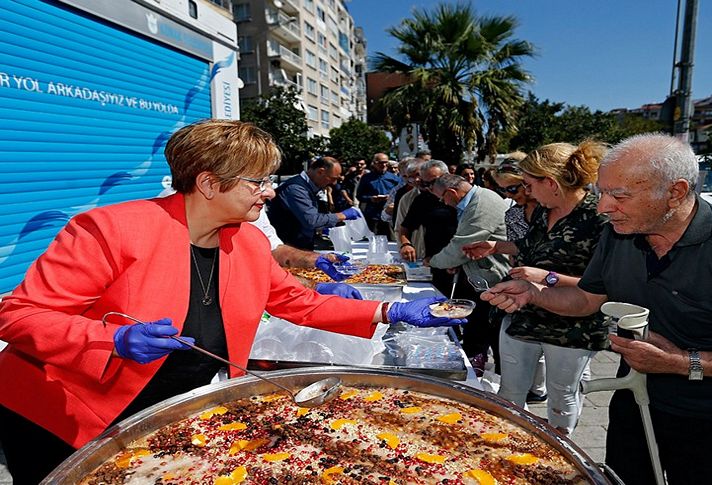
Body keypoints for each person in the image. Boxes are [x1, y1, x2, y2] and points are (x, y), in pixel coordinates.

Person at [0, 120, 465, 485]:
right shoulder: (109, 229)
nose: (270, 190)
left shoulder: (247, 243)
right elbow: (18, 314)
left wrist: (389, 311)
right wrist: (112, 338)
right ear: (208, 183)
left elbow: (300, 303)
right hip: (62, 417)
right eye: (258, 180)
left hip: (157, 413)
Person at [481, 133, 712, 485]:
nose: (602, 208)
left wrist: (683, 362)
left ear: (674, 192)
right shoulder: (619, 233)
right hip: (638, 401)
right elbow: (585, 300)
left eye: (619, 196)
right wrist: (532, 293)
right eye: (601, 193)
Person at [465, 141, 608, 435]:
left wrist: (547, 277)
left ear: (551, 183)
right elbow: (530, 246)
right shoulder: (545, 211)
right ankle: (508, 445)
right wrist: (495, 246)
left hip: (571, 326)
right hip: (524, 313)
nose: (526, 192)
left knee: (562, 396)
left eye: (529, 184)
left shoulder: (599, 218)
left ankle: (560, 457)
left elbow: (605, 284)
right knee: (510, 391)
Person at [425, 173, 510, 376]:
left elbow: (463, 244)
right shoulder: (474, 201)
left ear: (452, 192)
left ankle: (502, 382)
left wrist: (434, 262)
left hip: (495, 279)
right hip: (483, 275)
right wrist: (459, 263)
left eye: (442, 198)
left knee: (493, 334)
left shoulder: (482, 203)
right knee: (480, 329)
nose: (443, 203)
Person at [491, 154, 546, 399]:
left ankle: (539, 388)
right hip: (522, 285)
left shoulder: (552, 209)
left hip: (555, 284)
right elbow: (516, 248)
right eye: (504, 190)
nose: (509, 196)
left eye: (512, 188)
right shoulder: (513, 214)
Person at [267, 156, 360, 250]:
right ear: (320, 172)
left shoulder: (310, 188)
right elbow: (312, 220)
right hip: (288, 247)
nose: (334, 183)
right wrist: (341, 215)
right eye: (332, 178)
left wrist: (323, 227)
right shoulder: (296, 189)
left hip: (299, 245)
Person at [357, 152, 400, 236]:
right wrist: (371, 198)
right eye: (381, 162)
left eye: (385, 162)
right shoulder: (366, 178)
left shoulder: (394, 178)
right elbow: (359, 195)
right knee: (371, 240)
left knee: (391, 240)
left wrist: (390, 198)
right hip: (372, 215)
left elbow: (401, 194)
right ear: (374, 163)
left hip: (389, 215)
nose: (383, 165)